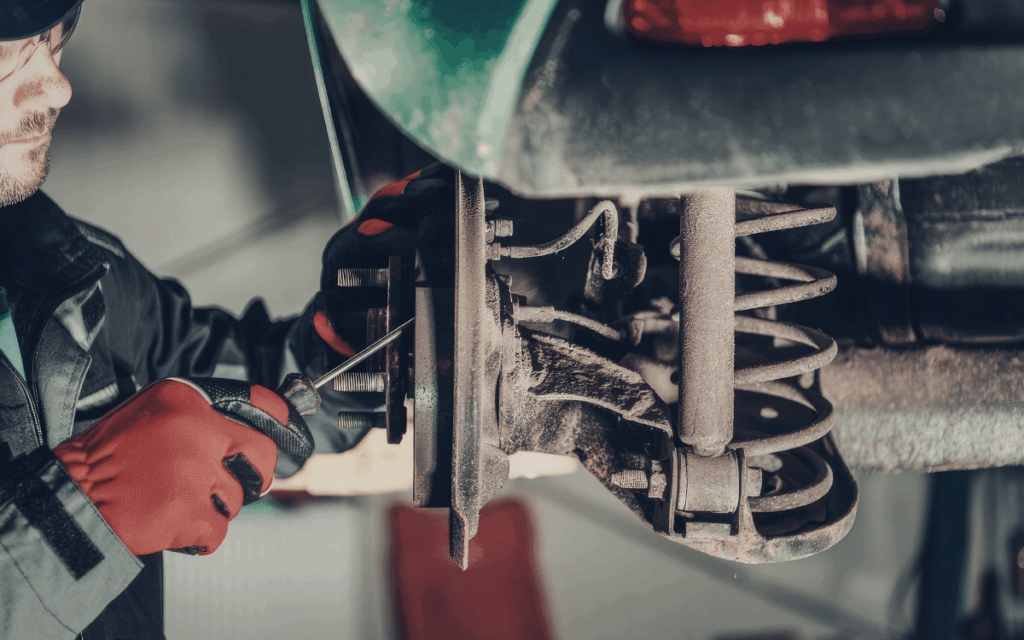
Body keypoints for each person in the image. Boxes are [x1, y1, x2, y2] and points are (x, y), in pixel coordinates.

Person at [0, 1, 453, 638]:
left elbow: (245, 393)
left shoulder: (69, 268)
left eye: (53, 41)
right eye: (8, 51)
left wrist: (354, 344)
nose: (56, 86)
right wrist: (76, 516)